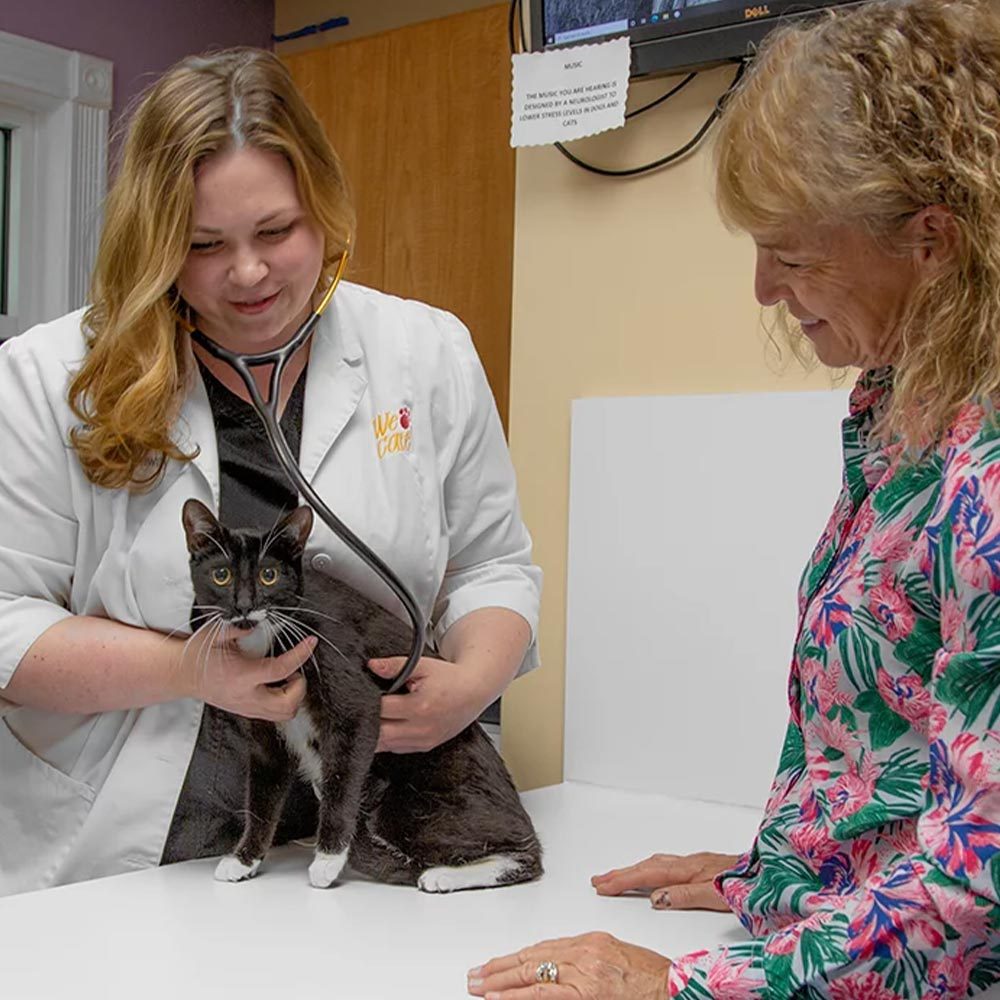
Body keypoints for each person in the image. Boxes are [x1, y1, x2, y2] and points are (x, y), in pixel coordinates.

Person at [468, 0, 1000, 997]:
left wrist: (684, 987)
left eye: (791, 254)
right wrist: (782, 878)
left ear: (930, 241)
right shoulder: (893, 408)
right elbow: (900, 741)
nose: (761, 289)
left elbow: (979, 884)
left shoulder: (991, 476)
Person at [0, 48, 541, 896]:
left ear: (323, 205)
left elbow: (492, 565)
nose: (247, 273)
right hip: (129, 851)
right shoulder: (49, 376)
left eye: (277, 231)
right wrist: (189, 669)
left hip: (368, 844)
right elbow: (3, 621)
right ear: (155, 241)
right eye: (204, 244)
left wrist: (473, 682)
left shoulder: (425, 351)